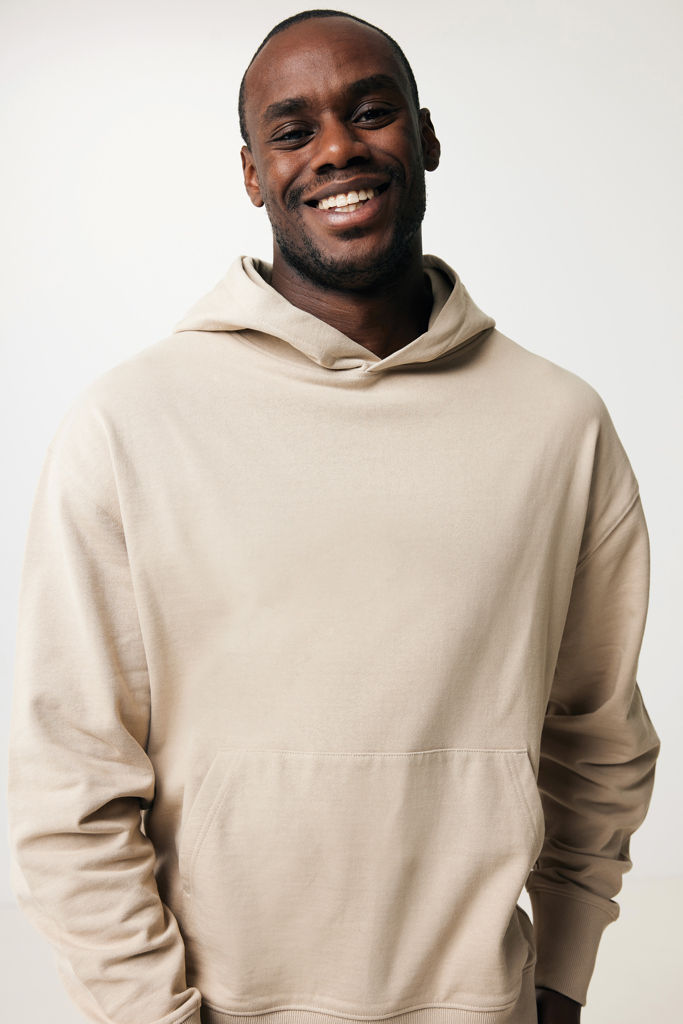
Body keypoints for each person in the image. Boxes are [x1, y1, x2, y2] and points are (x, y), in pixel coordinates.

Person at [8, 10, 659, 1024]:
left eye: (370, 112)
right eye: (292, 129)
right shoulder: (129, 424)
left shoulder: (556, 424)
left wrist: (559, 979)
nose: (336, 149)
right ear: (251, 173)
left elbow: (596, 740)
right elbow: (68, 778)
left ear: (425, 136)